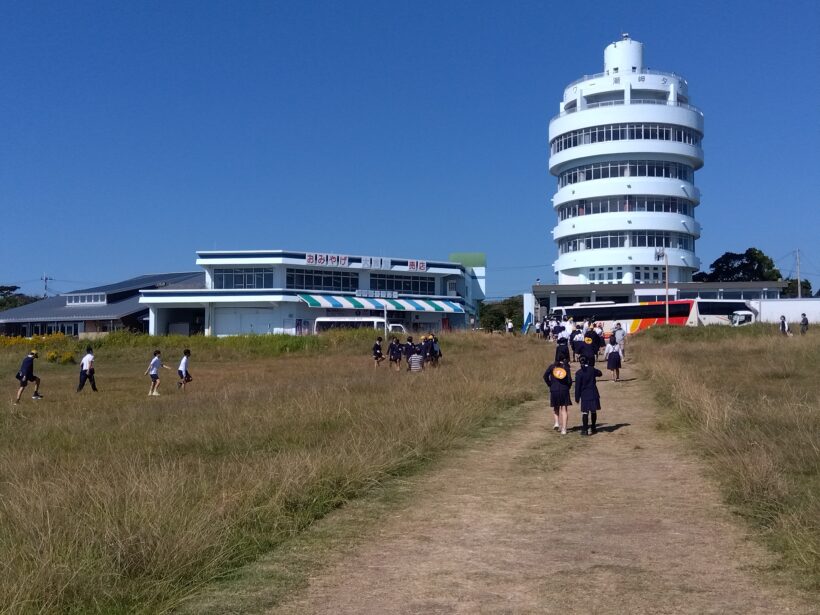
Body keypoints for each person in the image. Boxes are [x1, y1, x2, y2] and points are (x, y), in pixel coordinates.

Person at [575, 355, 603, 436]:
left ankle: (584, 430)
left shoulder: (579, 373)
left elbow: (577, 387)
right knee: (593, 411)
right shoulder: (592, 370)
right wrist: (592, 367)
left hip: (584, 395)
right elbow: (600, 373)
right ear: (587, 361)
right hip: (593, 393)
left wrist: (577, 397)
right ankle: (593, 428)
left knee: (585, 412)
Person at [544, 358, 572, 435]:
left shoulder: (552, 367)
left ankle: (556, 423)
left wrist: (550, 384)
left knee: (555, 407)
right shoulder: (566, 368)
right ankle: (564, 429)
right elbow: (569, 380)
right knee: (564, 410)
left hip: (554, 389)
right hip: (564, 390)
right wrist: (568, 387)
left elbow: (545, 376)